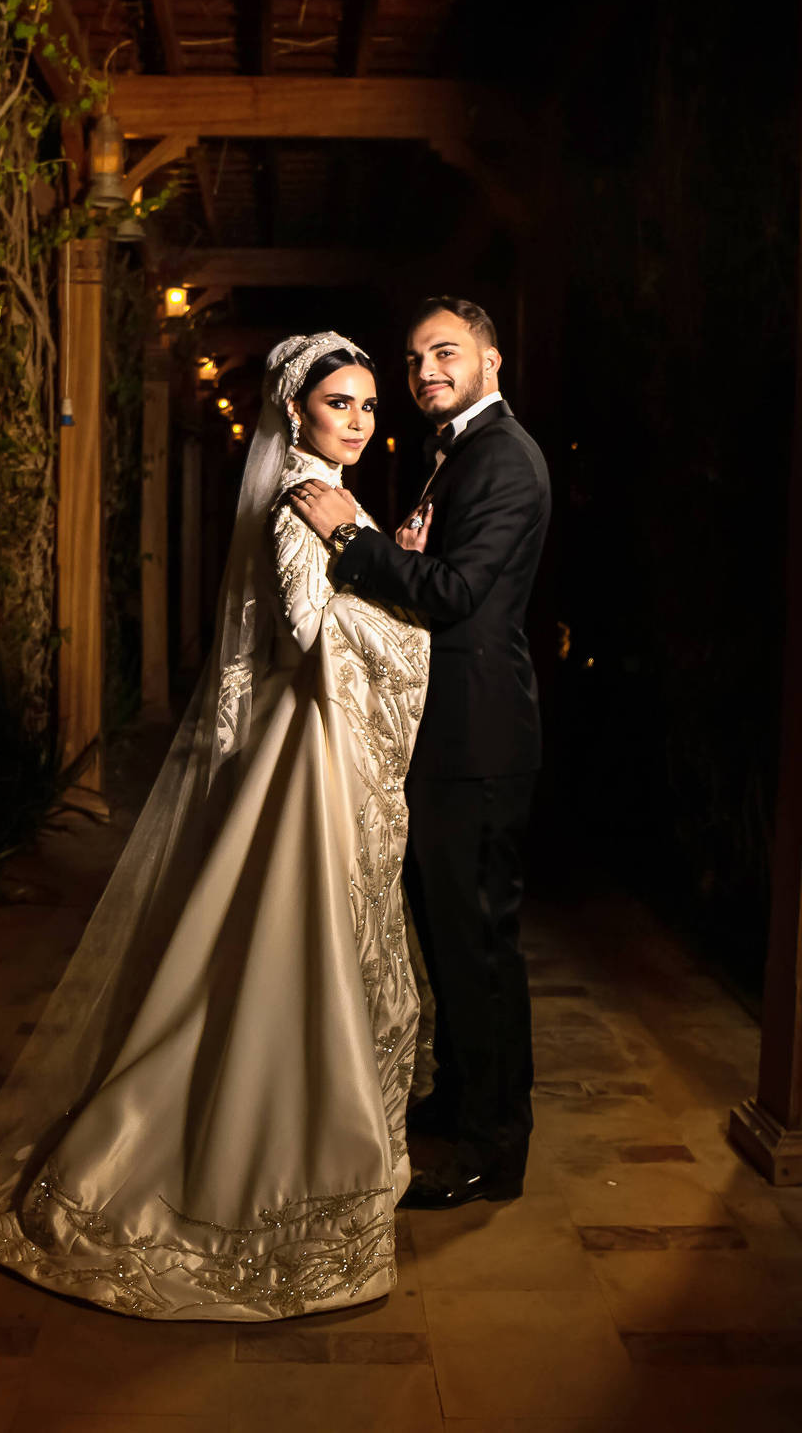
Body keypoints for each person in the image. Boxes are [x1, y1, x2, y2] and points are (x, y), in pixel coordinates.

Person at [0, 332, 431, 1354]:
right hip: (302, 750)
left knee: (292, 954)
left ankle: (305, 1158)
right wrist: (399, 588)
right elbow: (314, 640)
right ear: (296, 415)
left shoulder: (335, 500)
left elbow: (336, 607)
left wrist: (381, 552)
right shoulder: (295, 505)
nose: (357, 421)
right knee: (286, 952)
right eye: (338, 405)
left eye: (366, 406)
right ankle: (244, 1175)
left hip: (315, 750)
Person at [290, 298, 550, 1211]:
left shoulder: (507, 460)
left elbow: (457, 592)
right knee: (447, 936)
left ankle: (494, 1150)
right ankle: (462, 1100)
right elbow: (436, 576)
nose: (425, 371)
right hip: (443, 736)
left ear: (491, 359)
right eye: (414, 360)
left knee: (479, 946)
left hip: (480, 740)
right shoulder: (458, 452)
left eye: (446, 353)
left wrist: (353, 538)